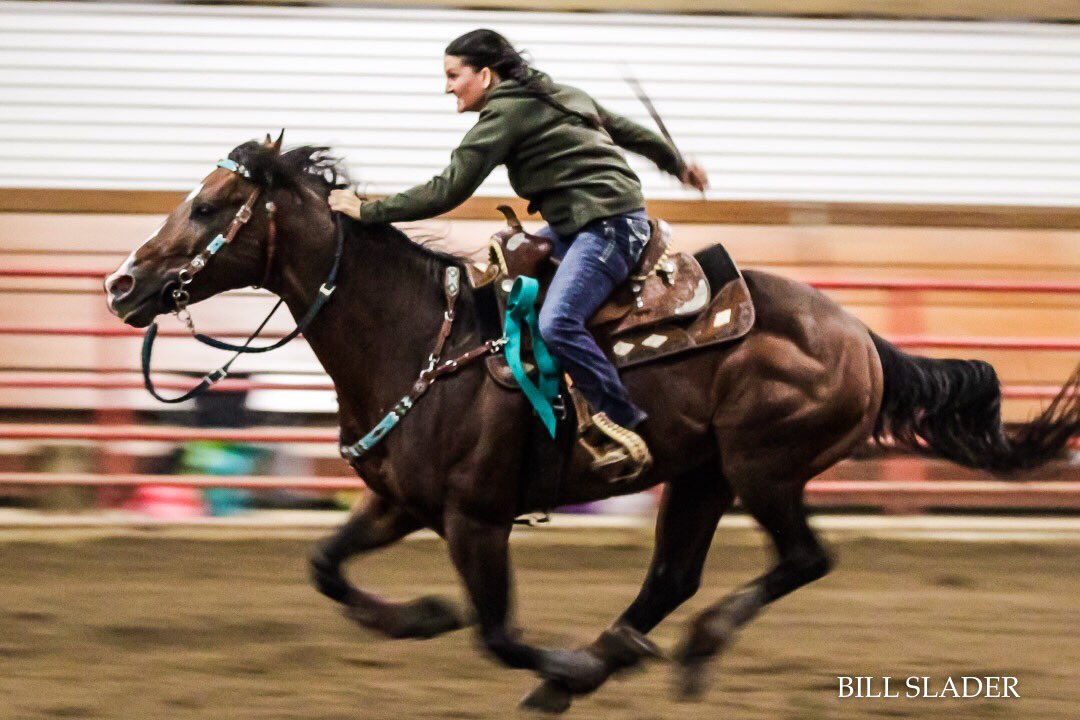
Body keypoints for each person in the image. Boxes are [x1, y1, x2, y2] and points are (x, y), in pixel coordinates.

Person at [329, 29, 709, 479]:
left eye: (454, 75)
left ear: (485, 75)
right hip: (587, 223)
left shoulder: (505, 114)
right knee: (499, 275)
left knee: (558, 322)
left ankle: (625, 422)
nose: (447, 86)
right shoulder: (564, 94)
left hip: (605, 229)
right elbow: (631, 134)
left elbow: (447, 189)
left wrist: (368, 210)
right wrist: (677, 165)